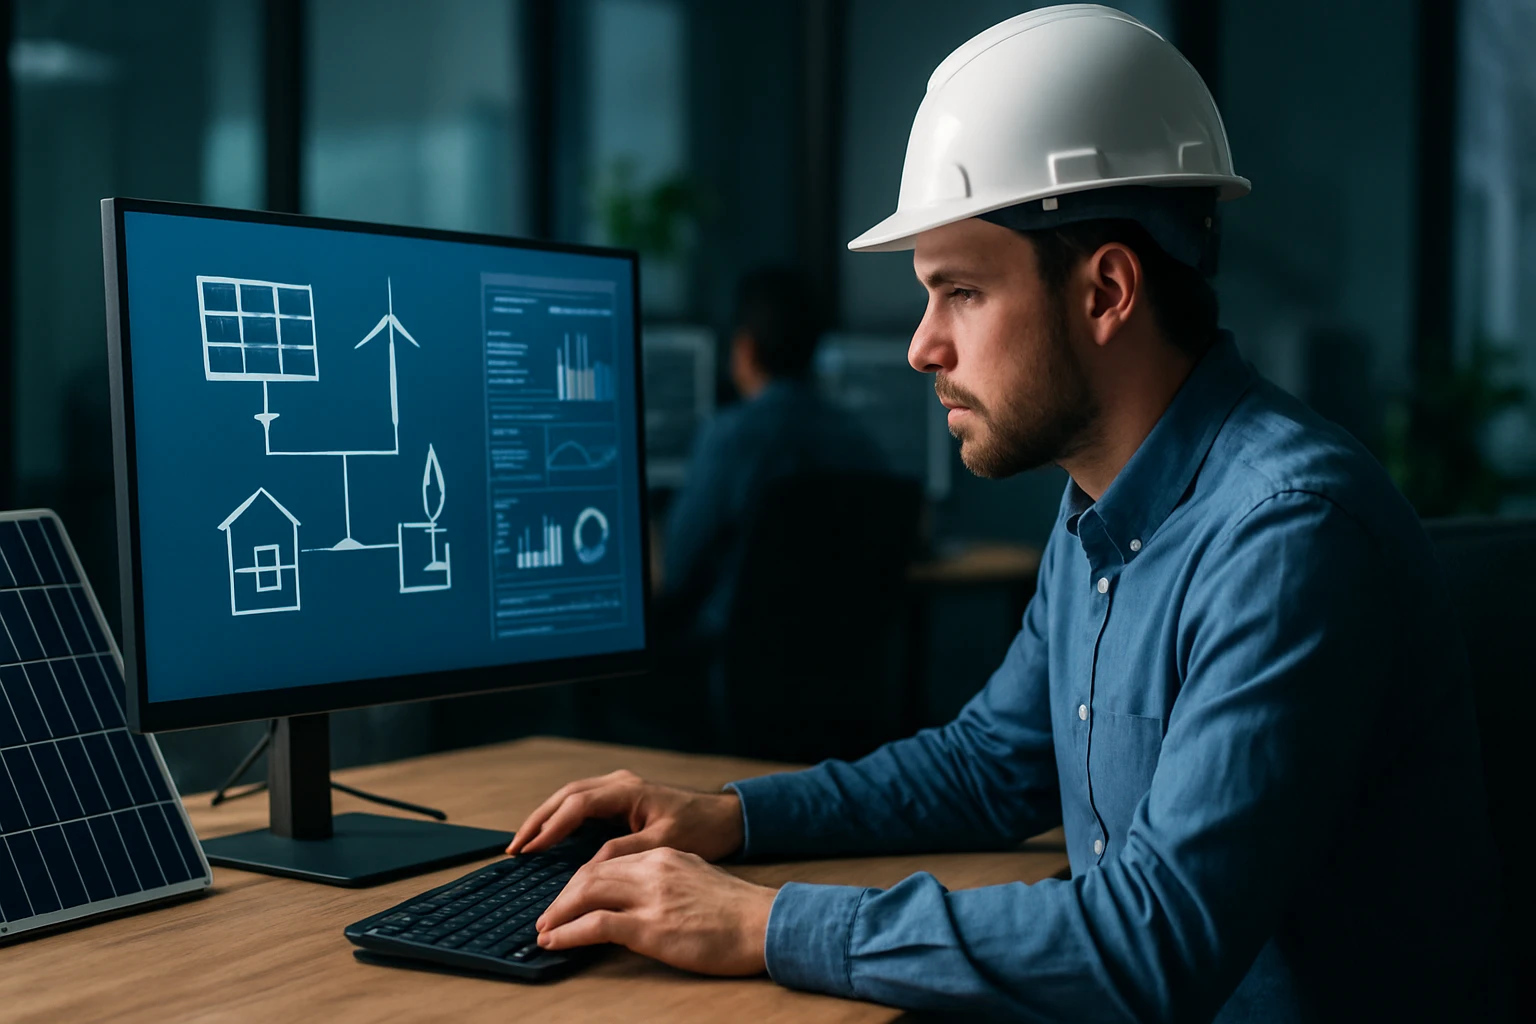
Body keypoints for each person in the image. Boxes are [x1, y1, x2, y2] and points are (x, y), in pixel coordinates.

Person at [505, 7, 1506, 1020]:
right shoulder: (1098, 512)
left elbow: (1153, 940)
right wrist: (728, 819)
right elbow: (987, 767)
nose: (921, 346)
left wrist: (761, 923)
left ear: (1107, 289)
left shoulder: (1288, 534)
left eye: (961, 292)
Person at [656, 267, 885, 644]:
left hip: (735, 663)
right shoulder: (858, 439)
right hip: (843, 670)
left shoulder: (730, 436)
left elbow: (678, 567)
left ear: (745, 349)